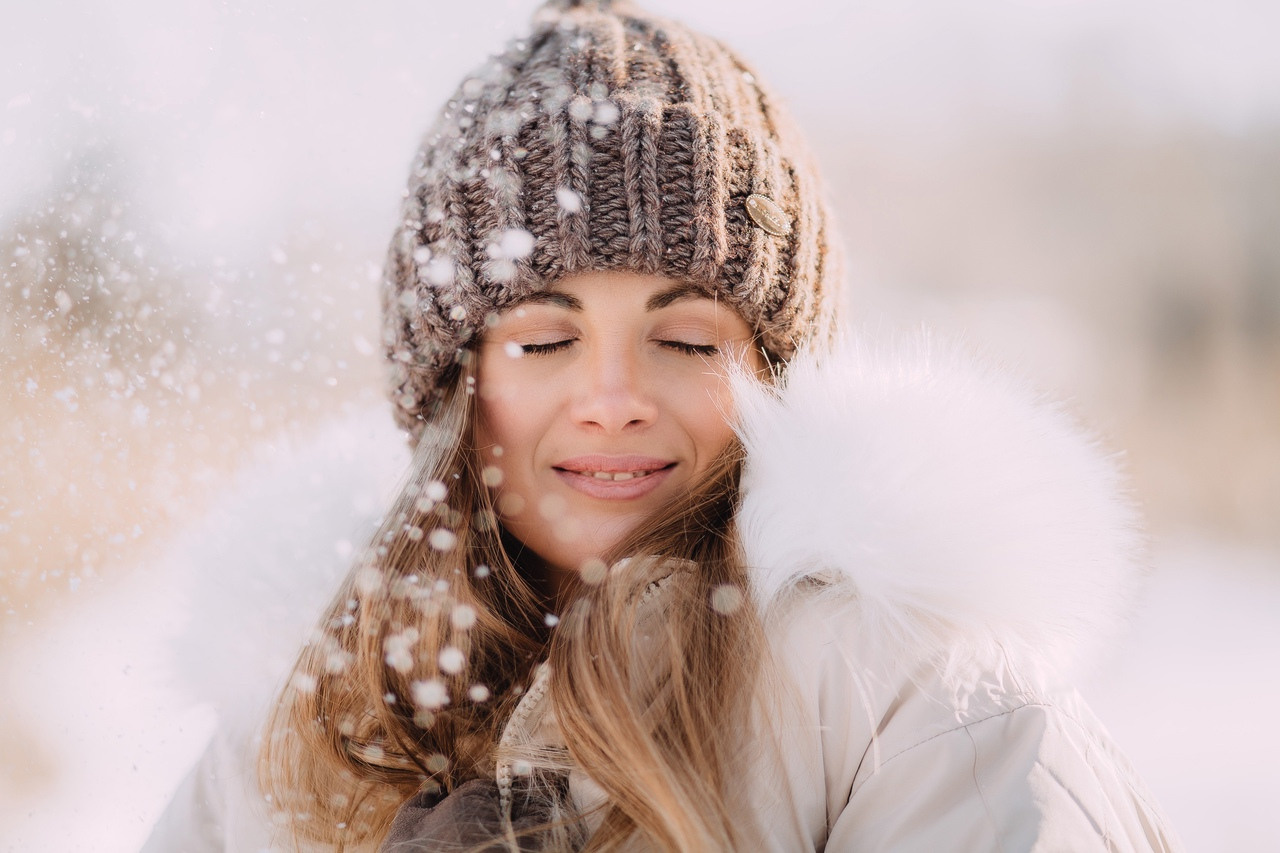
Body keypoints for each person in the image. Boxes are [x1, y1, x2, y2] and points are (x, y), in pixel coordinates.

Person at [145, 0, 1182, 850]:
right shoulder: (304, 729)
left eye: (685, 340)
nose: (610, 395)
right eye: (542, 341)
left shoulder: (914, 699)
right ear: (454, 390)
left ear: (780, 380)